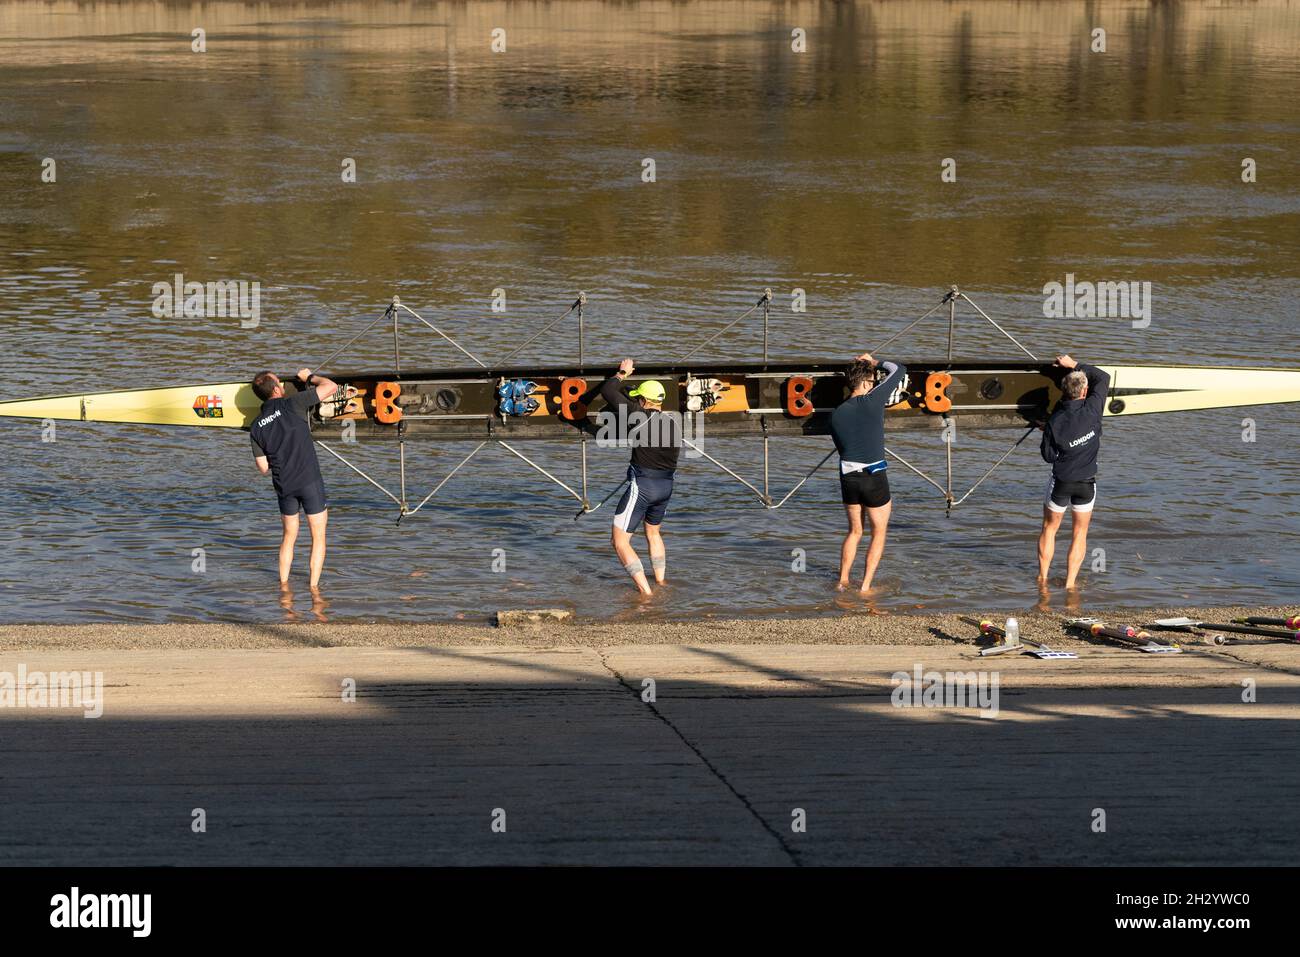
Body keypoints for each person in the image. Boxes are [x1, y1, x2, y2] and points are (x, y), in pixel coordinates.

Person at [249, 368, 338, 590]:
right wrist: (309, 377)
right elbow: (331, 387)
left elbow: (263, 468)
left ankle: (284, 586)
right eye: (279, 382)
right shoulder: (292, 403)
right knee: (318, 537)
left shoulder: (256, 426)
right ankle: (314, 588)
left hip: (284, 486)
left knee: (289, 537)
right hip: (309, 481)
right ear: (278, 389)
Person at [600, 358, 680, 595]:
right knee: (653, 533)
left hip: (643, 487)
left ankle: (646, 593)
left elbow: (608, 391)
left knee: (620, 542)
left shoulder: (639, 416)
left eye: (638, 399)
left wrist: (622, 374)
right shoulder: (673, 423)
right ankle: (662, 582)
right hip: (666, 487)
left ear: (644, 401)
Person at [829, 352, 907, 594]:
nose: (874, 385)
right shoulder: (872, 401)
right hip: (874, 477)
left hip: (848, 477)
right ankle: (864, 587)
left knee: (855, 531)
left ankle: (842, 581)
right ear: (865, 382)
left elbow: (843, 447)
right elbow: (899, 369)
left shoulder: (836, 414)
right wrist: (874, 361)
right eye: (873, 381)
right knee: (879, 531)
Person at [1038, 354, 1110, 591]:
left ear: (1063, 391)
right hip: (1086, 484)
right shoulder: (1093, 407)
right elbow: (1104, 376)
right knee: (1080, 533)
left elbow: (1048, 456)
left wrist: (1051, 435)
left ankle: (1043, 579)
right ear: (1084, 391)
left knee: (1050, 529)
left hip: (1062, 481)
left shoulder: (1055, 421)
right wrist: (1074, 365)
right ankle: (1070, 584)